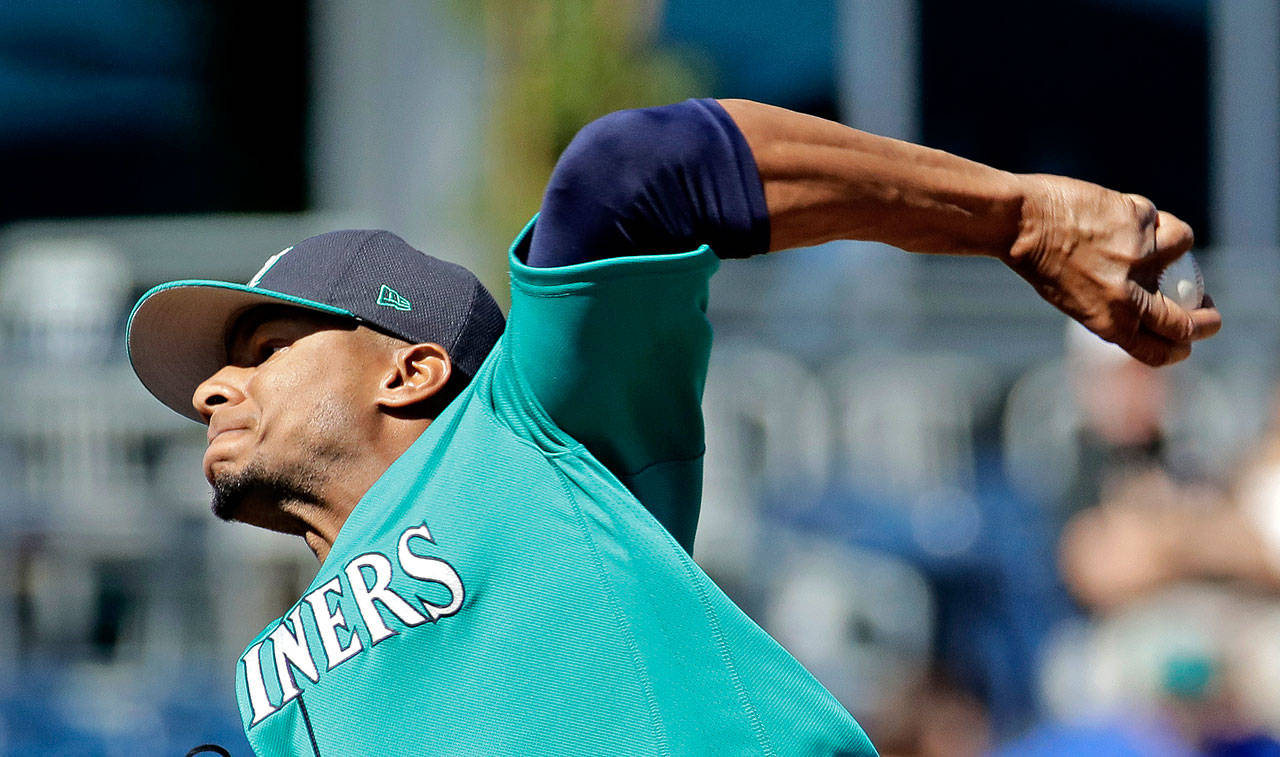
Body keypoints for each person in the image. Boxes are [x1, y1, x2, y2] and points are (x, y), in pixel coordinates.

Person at [127, 98, 1221, 755]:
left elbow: (634, 173)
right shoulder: (272, 683)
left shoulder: (530, 431)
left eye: (266, 350)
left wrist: (1016, 218)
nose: (217, 389)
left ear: (411, 369)